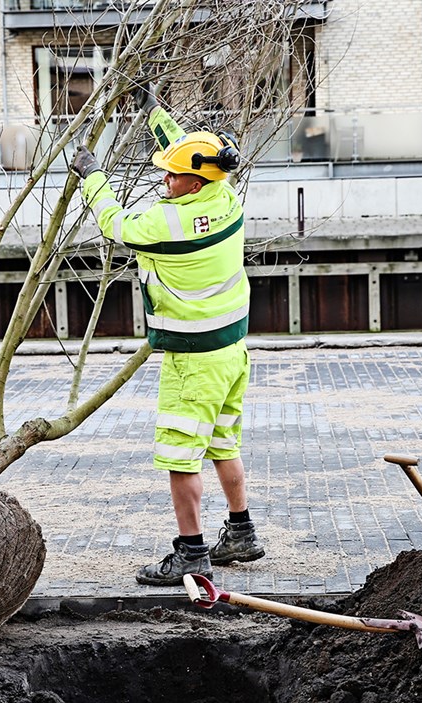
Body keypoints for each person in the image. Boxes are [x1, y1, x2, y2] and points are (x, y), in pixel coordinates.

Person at [70, 101, 265, 587]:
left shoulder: (166, 225)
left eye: (172, 178)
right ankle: (241, 533)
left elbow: (115, 226)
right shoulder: (226, 198)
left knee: (180, 456)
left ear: (193, 184)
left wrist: (91, 177)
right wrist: (155, 112)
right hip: (232, 351)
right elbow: (187, 152)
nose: (165, 183)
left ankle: (192, 554)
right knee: (223, 442)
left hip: (193, 358)